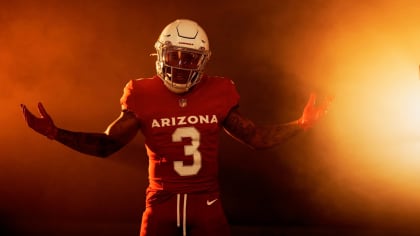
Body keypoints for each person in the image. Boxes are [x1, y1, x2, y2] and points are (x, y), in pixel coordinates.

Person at [21, 19, 332, 236]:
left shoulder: (219, 91)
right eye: (175, 55)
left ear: (203, 61)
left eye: (190, 58)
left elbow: (256, 138)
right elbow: (107, 145)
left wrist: (301, 124)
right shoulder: (141, 93)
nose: (181, 64)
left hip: (206, 202)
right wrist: (55, 133)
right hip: (160, 202)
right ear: (160, 54)